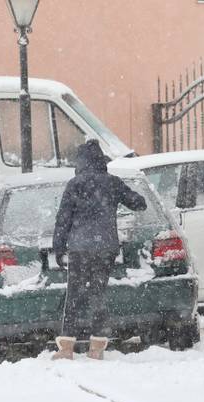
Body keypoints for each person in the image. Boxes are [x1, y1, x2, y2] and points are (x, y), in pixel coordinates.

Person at [51, 140, 147, 361]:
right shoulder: (112, 183)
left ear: (81, 162)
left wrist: (59, 246)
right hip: (105, 247)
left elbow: (63, 219)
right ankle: (96, 347)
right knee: (98, 294)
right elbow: (138, 203)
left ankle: (66, 347)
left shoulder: (74, 184)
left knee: (74, 295)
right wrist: (129, 197)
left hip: (79, 247)